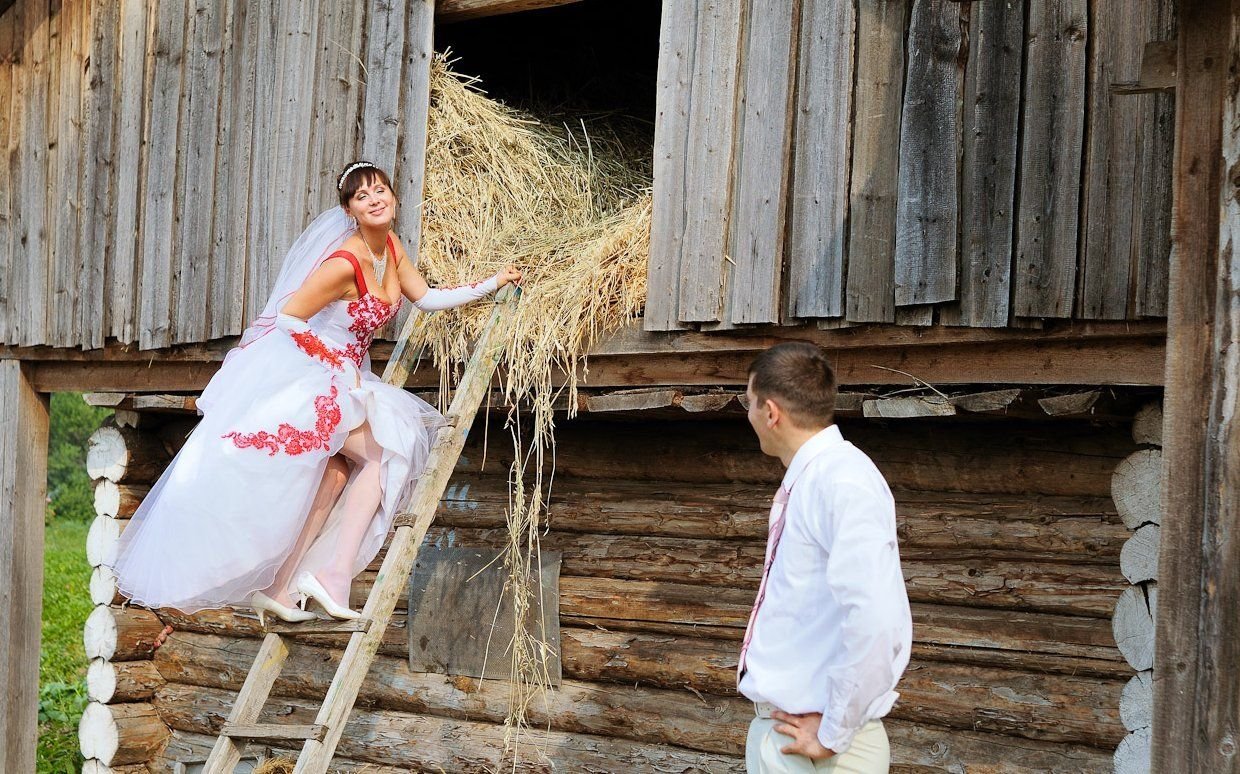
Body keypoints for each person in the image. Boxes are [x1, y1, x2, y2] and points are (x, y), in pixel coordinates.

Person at [110, 161, 521, 624]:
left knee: (338, 475)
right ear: (350, 210)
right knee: (386, 452)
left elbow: (425, 297)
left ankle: (279, 587)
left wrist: (492, 284)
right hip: (315, 376)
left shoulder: (391, 248)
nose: (375, 199)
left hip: (347, 376)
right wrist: (335, 367)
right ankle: (333, 575)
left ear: (393, 198)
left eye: (381, 190)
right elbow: (289, 317)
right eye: (363, 196)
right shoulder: (344, 261)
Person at [738, 341, 912, 773]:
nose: (748, 415)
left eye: (749, 403)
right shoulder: (827, 477)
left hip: (811, 745)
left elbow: (876, 618)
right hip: (810, 737)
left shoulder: (839, 480)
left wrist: (833, 732)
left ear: (771, 412)